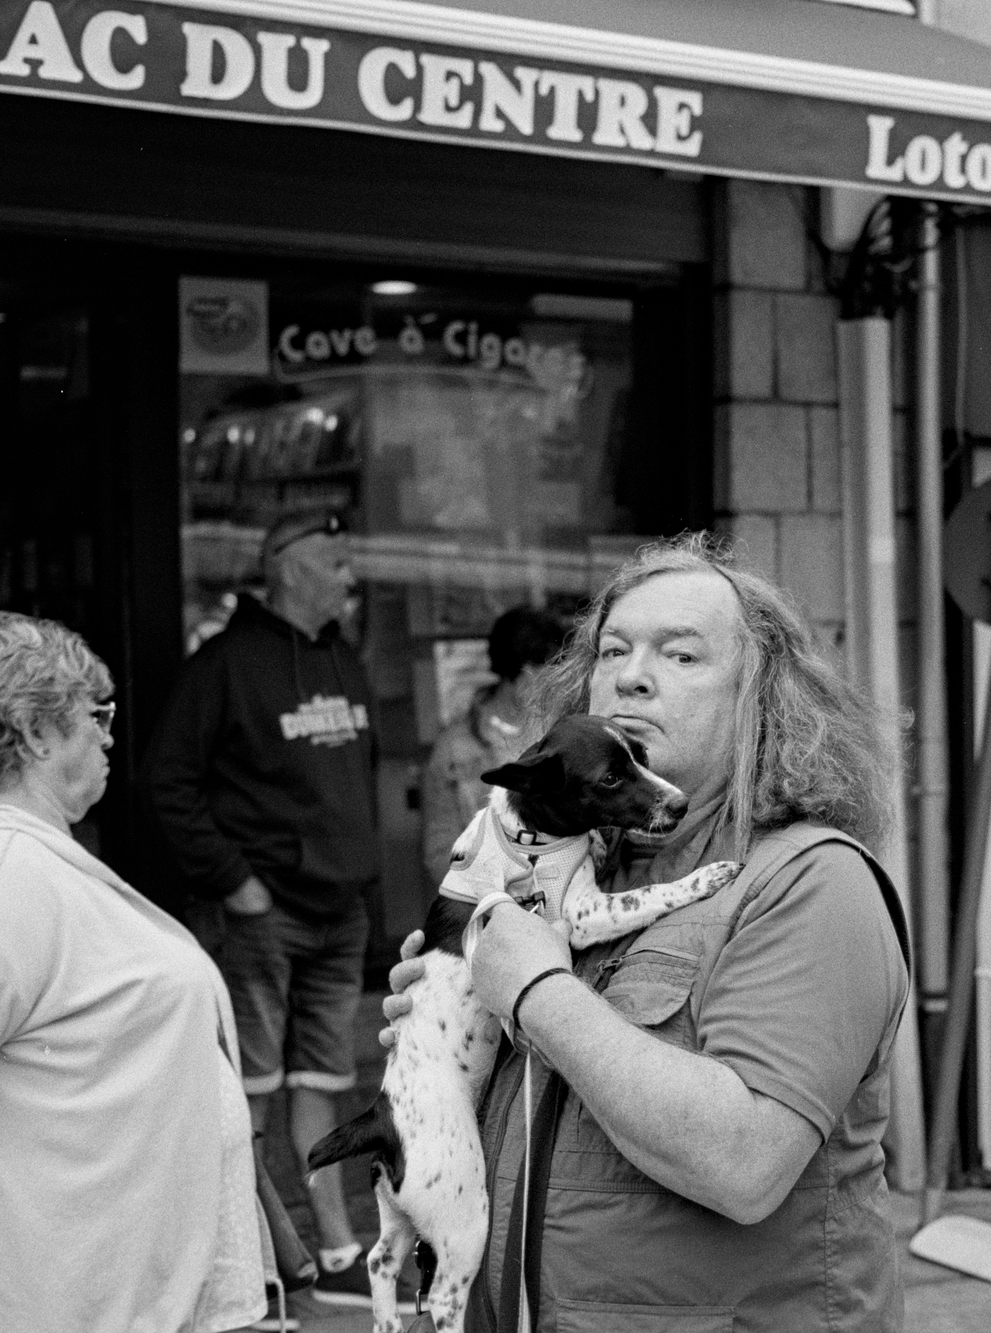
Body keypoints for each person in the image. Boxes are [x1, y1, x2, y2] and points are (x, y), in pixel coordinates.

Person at [383, 534, 911, 1331]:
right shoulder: (594, 873)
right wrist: (447, 1030)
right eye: (613, 650)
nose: (631, 674)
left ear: (760, 701)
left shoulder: (813, 882)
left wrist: (535, 988)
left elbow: (744, 1162)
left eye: (681, 654)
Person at [0, 612, 265, 1332]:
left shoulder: (23, 863)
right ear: (36, 731)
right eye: (95, 714)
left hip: (94, 1290)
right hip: (38, 1299)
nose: (108, 735)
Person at [146, 508, 382, 1312]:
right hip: (259, 914)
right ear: (288, 568)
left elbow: (358, 782)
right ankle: (251, 1268)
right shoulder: (222, 666)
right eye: (336, 562)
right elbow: (167, 782)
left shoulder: (343, 659)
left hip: (338, 912)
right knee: (243, 1091)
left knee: (323, 1081)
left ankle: (338, 1252)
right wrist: (233, 881)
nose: (351, 576)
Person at [421, 604, 569, 879]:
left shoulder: (566, 735)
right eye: (551, 671)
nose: (559, 683)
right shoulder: (454, 747)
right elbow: (441, 854)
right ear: (525, 675)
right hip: (489, 897)